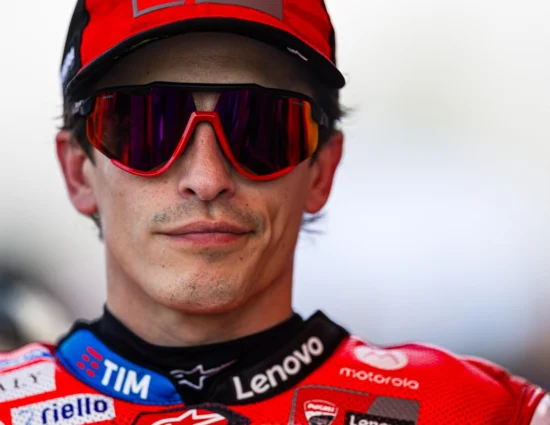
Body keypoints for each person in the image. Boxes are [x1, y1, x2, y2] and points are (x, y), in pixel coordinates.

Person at [0, 1, 548, 424]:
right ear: (78, 172)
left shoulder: (486, 412)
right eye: (150, 126)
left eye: (259, 128)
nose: (207, 180)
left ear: (322, 171)